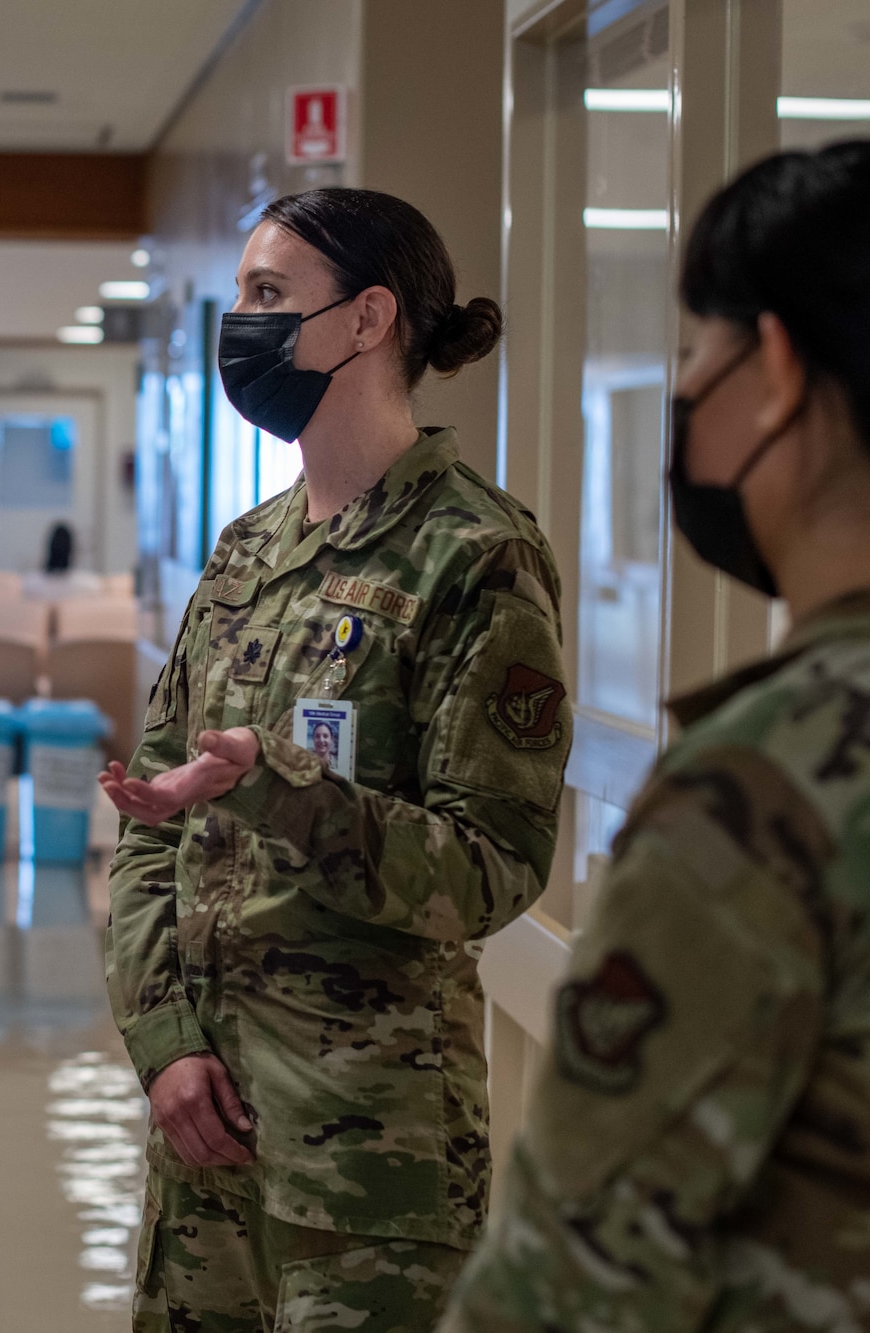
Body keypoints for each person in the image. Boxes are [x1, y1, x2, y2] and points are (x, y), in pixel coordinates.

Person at [100, 187, 573, 1332]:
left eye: (269, 296)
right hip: (202, 1136)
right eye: (239, 297)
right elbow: (147, 823)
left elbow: (489, 865)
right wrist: (161, 1042)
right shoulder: (246, 551)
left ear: (366, 320)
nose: (242, 325)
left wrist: (277, 791)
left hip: (369, 1163)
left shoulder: (475, 556)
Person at [442, 142, 870, 1332]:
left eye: (694, 351)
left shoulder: (766, 784)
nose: (683, 389)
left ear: (774, 369)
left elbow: (570, 1284)